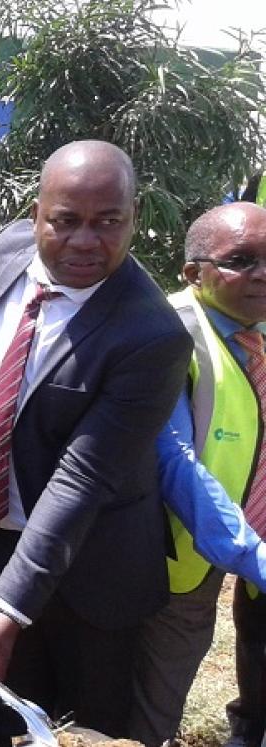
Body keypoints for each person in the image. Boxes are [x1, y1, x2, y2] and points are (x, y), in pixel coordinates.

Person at [0, 140, 192, 743]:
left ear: (133, 216)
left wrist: (10, 604)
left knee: (89, 731)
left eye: (108, 222)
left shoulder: (152, 335)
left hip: (95, 578)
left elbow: (83, 476)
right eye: (65, 221)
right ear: (36, 213)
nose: (86, 242)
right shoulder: (3, 253)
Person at [127, 202, 266, 746]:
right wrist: (254, 558)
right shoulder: (169, 333)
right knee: (146, 711)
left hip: (223, 554)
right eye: (241, 260)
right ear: (193, 272)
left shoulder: (254, 332)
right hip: (166, 565)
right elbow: (174, 462)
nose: (261, 274)